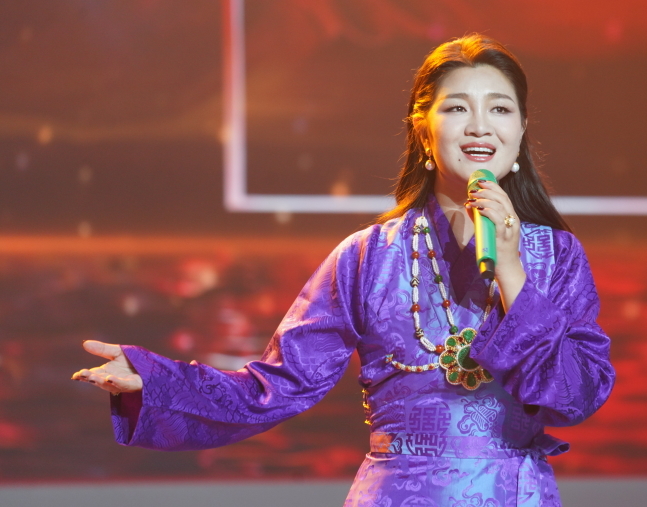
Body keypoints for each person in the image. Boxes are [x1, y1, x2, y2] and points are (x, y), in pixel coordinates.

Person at [73, 34, 615, 506]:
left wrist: (512, 272)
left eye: (500, 109)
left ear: (521, 129)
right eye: (456, 108)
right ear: (422, 129)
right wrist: (155, 381)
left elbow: (579, 396)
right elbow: (278, 387)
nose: (479, 126)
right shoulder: (367, 256)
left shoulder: (558, 257)